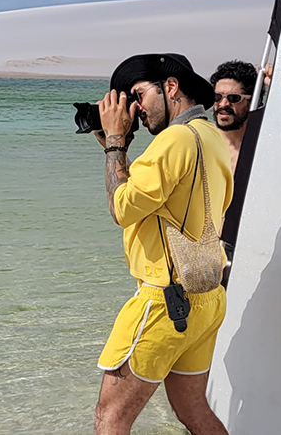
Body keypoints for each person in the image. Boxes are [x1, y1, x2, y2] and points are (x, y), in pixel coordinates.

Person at [93, 53, 233, 435]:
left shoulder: (174, 139)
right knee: (193, 410)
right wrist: (115, 145)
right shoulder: (210, 136)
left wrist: (115, 144)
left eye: (139, 95)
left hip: (165, 302)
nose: (136, 108)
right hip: (205, 297)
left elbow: (122, 208)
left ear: (170, 87)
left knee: (110, 416)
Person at [210, 59, 259, 174]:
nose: (223, 104)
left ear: (251, 102)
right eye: (217, 97)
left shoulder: (262, 147)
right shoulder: (203, 146)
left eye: (234, 98)